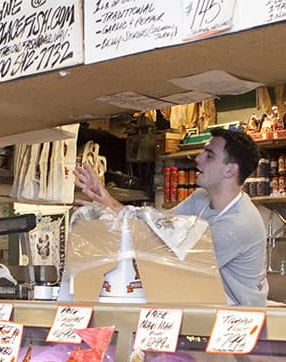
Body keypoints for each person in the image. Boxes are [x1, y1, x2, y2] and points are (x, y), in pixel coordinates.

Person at [75, 127, 268, 306]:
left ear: (230, 170)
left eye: (209, 156)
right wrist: (109, 203)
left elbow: (170, 256)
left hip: (237, 321)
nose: (198, 159)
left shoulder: (239, 224)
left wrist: (113, 215)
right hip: (209, 309)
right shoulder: (200, 199)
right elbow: (158, 225)